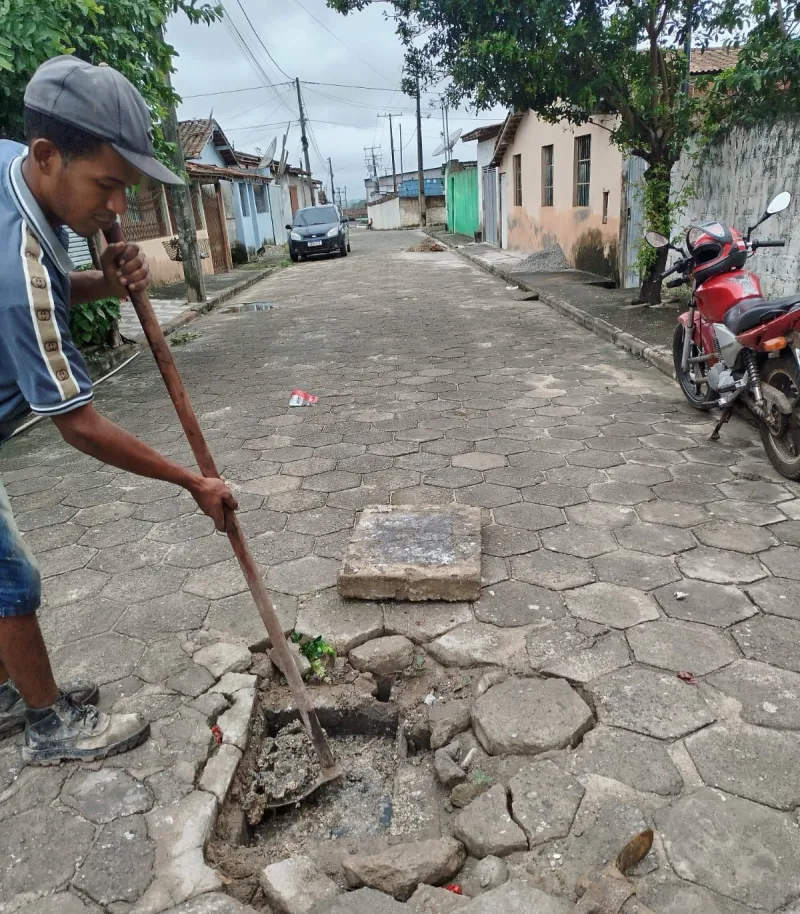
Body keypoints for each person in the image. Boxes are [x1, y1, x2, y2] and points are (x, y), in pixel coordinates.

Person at [0, 57, 237, 764]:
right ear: (47, 156)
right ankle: (47, 727)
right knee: (12, 579)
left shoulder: (18, 169)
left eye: (125, 191)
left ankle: (12, 691)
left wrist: (104, 283)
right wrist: (192, 483)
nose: (115, 210)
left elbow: (45, 290)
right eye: (107, 187)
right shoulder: (18, 260)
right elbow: (80, 425)